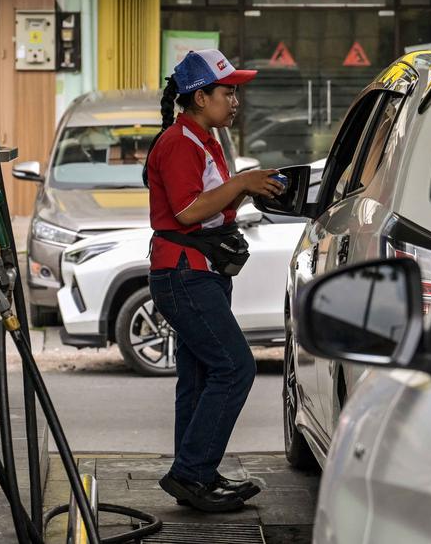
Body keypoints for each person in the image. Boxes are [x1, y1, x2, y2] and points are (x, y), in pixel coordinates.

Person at [142, 50, 285, 513]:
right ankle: (191, 472)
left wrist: (249, 189)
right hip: (184, 273)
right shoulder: (179, 143)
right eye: (228, 92)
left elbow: (211, 205)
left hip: (200, 270)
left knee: (200, 375)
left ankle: (196, 474)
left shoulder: (204, 139)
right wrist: (241, 183)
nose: (235, 101)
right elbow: (187, 212)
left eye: (236, 92)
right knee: (235, 367)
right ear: (200, 97)